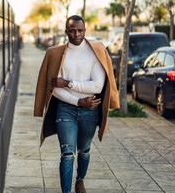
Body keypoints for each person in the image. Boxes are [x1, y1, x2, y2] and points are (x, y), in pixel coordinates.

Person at [34, 15, 119, 193]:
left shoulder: (95, 51)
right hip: (65, 110)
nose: (76, 34)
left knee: (84, 150)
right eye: (72, 30)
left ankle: (80, 180)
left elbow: (97, 85)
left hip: (90, 110)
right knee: (67, 154)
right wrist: (79, 100)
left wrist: (69, 83)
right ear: (66, 32)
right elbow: (54, 89)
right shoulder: (56, 54)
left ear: (85, 30)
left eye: (80, 30)